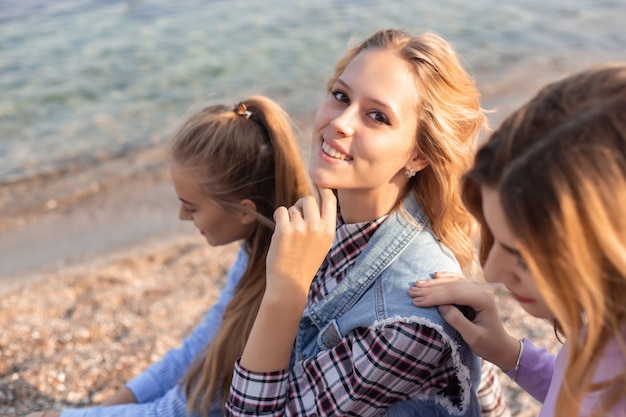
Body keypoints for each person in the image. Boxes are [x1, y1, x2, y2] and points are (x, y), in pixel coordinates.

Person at [225, 28, 507, 417]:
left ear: (419, 156)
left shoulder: (408, 321)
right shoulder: (326, 223)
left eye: (377, 116)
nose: (340, 122)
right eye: (341, 96)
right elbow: (485, 385)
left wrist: (284, 293)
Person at [27, 95, 312, 417]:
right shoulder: (259, 248)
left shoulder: (279, 289)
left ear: (245, 211)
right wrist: (107, 406)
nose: (181, 216)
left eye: (191, 207)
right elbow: (200, 345)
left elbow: (184, 409)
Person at [409, 63, 626, 416]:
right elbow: (586, 390)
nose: (492, 272)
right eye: (494, 235)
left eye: (521, 255)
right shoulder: (607, 329)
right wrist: (509, 353)